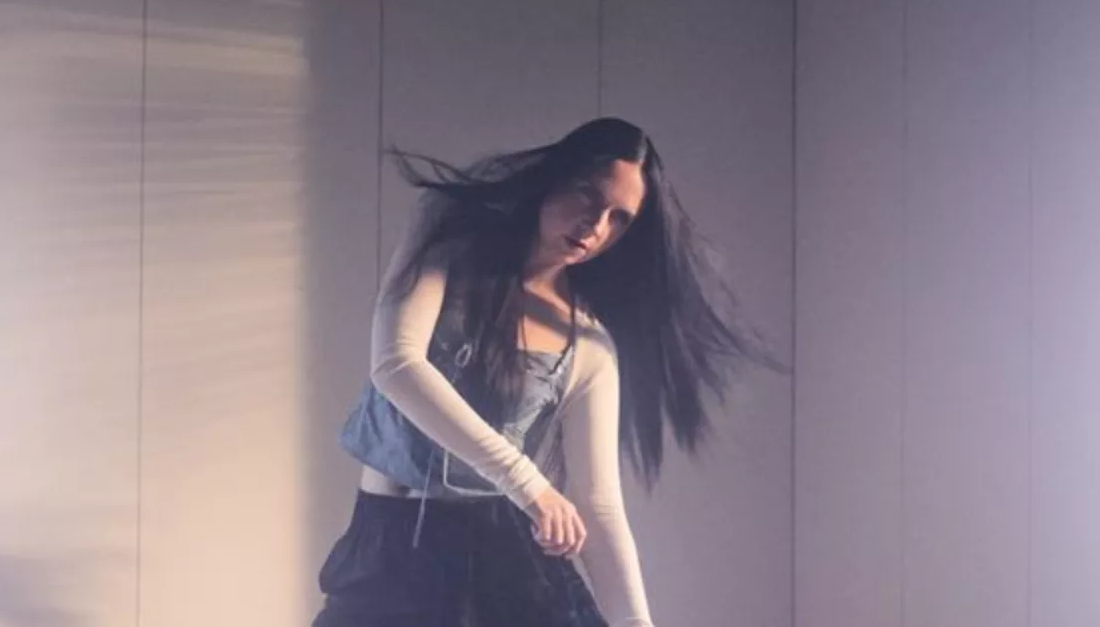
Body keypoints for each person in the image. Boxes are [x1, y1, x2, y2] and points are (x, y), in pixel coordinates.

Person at [312, 117, 778, 627]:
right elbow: (396, 364)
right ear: (554, 178)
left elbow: (599, 506)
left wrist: (636, 624)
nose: (595, 225)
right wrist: (530, 485)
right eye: (587, 195)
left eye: (619, 218)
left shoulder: (588, 345)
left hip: (501, 564)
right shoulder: (448, 242)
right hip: (389, 550)